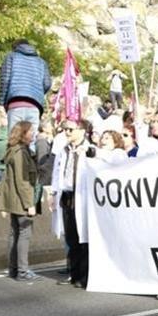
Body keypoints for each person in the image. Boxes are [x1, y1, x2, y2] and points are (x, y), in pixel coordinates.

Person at [51, 119, 95, 288]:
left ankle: (84, 276)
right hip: (67, 196)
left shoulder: (89, 150)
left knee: (82, 237)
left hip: (82, 197)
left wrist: (90, 152)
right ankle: (73, 272)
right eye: (65, 130)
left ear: (82, 131)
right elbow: (57, 172)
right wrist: (54, 193)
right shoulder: (64, 150)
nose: (67, 133)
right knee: (70, 237)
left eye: (70, 129)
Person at [0, 121, 40, 282]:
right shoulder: (20, 153)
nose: (33, 134)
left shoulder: (13, 151)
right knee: (24, 234)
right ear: (23, 134)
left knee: (14, 233)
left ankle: (14, 268)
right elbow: (23, 181)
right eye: (30, 132)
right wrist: (29, 204)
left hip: (13, 200)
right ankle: (22, 271)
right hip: (21, 201)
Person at [0, 39, 52, 139]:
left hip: (15, 104)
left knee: (14, 141)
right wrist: (37, 93)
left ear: (15, 48)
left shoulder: (11, 57)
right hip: (35, 106)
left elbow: (5, 80)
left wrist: (1, 102)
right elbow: (47, 84)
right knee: (31, 142)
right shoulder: (41, 62)